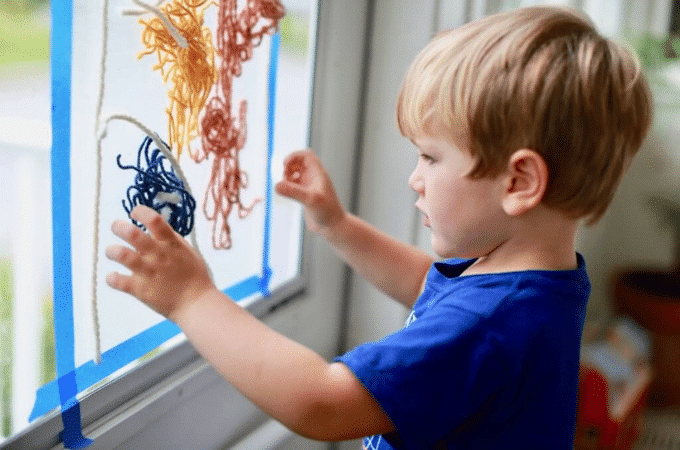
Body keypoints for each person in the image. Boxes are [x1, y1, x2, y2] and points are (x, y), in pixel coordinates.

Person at [105, 5, 652, 449]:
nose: (415, 179)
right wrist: (338, 225)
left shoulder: (489, 323)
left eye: (431, 158)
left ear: (519, 183)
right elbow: (429, 285)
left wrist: (192, 299)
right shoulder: (532, 282)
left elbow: (320, 403)